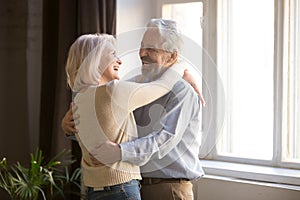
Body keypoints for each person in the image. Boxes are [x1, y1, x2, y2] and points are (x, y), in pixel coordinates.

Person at [62, 19, 205, 200]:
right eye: (142, 46)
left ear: (172, 57)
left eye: (152, 49)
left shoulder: (182, 91)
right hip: (134, 185)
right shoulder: (129, 86)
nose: (143, 53)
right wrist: (70, 128)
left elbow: (165, 138)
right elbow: (109, 130)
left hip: (169, 189)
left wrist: (120, 151)